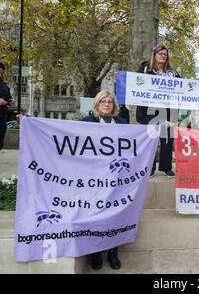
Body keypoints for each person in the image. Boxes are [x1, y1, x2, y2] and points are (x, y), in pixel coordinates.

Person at [81, 90, 127, 270]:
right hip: (94, 179)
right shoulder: (87, 122)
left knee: (114, 215)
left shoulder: (122, 123)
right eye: (103, 101)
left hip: (116, 178)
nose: (106, 104)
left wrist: (162, 126)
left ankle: (113, 252)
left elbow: (141, 135)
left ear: (114, 106)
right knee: (95, 215)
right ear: (97, 104)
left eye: (109, 102)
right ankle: (96, 252)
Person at [136, 44, 177, 178]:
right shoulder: (145, 69)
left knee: (167, 141)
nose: (163, 56)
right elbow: (135, 82)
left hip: (167, 111)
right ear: (154, 55)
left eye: (165, 54)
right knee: (150, 141)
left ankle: (166, 168)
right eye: (160, 54)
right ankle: (150, 169)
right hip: (149, 111)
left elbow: (181, 87)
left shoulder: (171, 72)